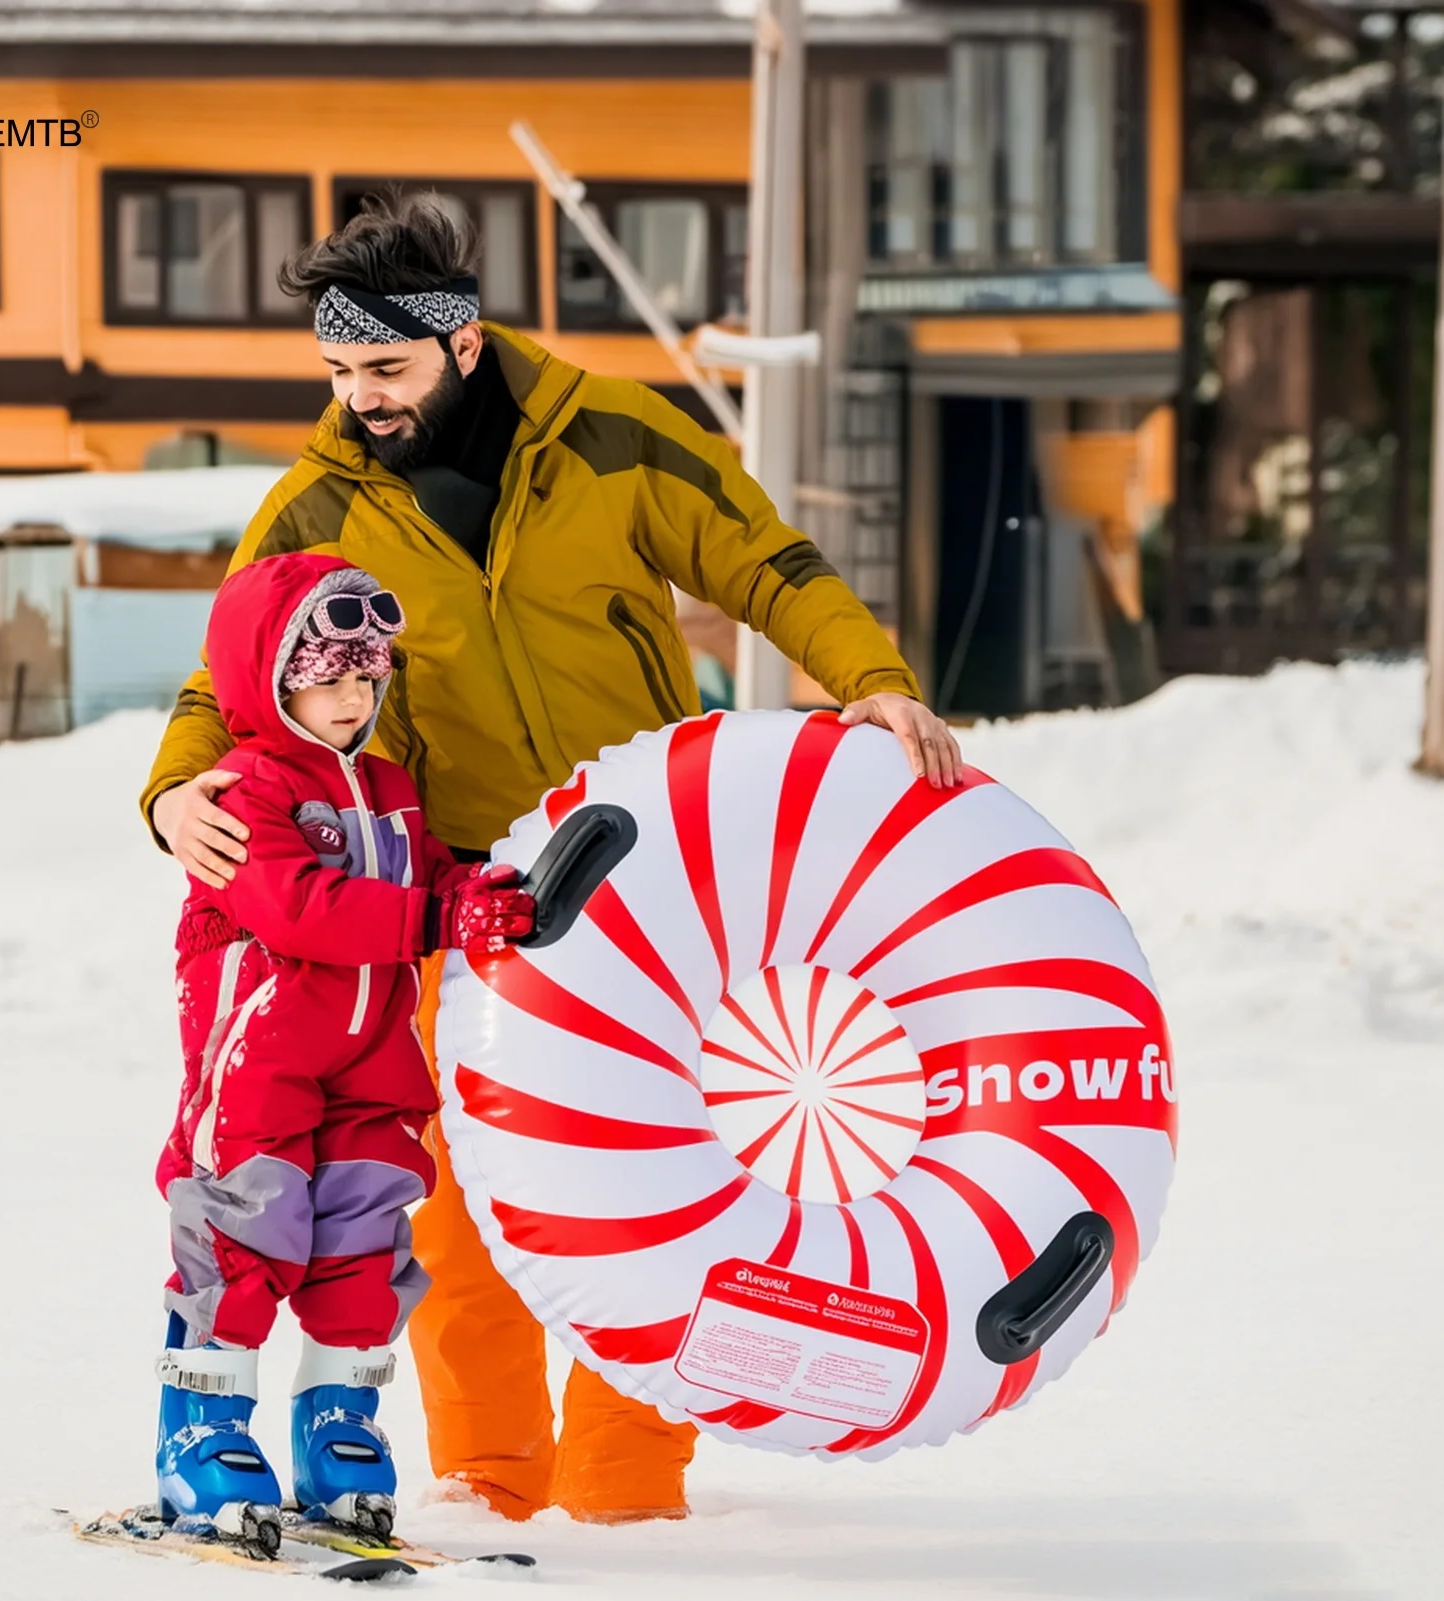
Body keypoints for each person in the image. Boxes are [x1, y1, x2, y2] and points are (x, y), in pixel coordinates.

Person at [141, 189, 964, 1526]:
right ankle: (487, 1479)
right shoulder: (316, 507)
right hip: (452, 894)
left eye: (386, 369)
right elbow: (224, 675)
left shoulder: (616, 437)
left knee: (651, 1183)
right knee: (455, 1208)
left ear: (464, 346)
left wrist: (870, 678)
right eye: (340, 373)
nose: (362, 399)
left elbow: (768, 561)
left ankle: (629, 1489)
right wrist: (176, 792)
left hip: (647, 889)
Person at [153, 548, 535, 1545]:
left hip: (372, 1065)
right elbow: (299, 908)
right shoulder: (242, 790)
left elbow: (430, 872)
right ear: (267, 676)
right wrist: (431, 915)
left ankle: (337, 1426)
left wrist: (470, 891)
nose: (351, 696)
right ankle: (201, 1436)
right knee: (248, 1232)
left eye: (365, 676)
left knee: (362, 1243)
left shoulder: (391, 785)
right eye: (327, 676)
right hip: (262, 1063)